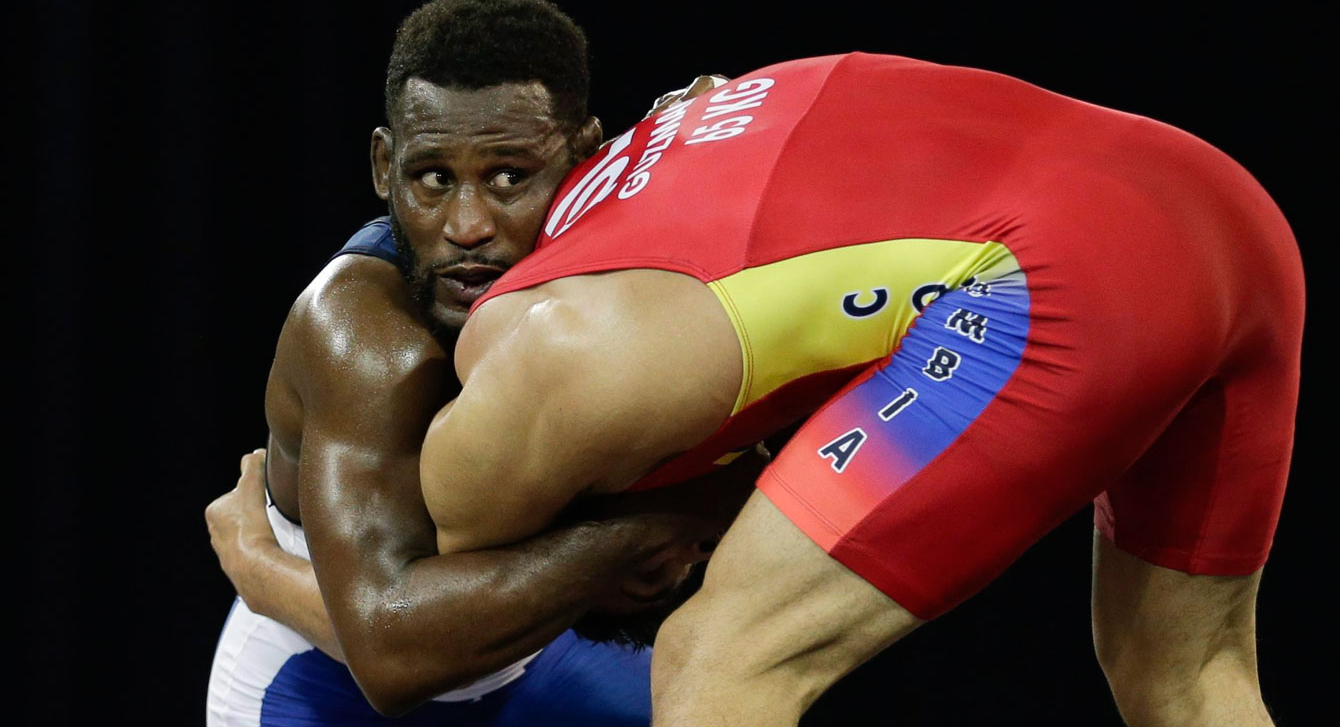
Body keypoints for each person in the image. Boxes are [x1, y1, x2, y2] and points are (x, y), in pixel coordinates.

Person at [409, 52, 1301, 726]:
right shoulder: (674, 128)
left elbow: (414, 631)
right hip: (1225, 208)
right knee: (1183, 677)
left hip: (1058, 280)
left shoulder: (542, 361)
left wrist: (265, 570)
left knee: (718, 660)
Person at [204, 0, 743, 726]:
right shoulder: (365, 337)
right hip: (325, 684)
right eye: (434, 178)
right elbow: (392, 658)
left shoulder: (625, 262)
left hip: (528, 656)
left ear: (586, 157)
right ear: (384, 166)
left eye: (508, 178)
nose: (466, 226)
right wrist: (664, 518)